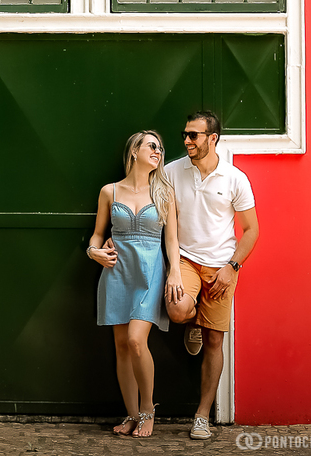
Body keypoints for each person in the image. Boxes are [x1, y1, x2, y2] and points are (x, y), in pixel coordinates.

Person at [164, 111, 260, 441]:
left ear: (213, 138)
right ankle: (193, 323)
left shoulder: (235, 179)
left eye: (194, 135)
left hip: (221, 266)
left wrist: (232, 268)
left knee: (215, 341)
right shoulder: (172, 172)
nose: (187, 141)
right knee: (177, 309)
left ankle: (202, 415)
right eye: (185, 135)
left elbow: (251, 231)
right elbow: (148, 207)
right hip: (186, 261)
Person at [87, 131, 183, 438]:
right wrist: (94, 252)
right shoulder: (109, 192)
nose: (158, 151)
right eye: (151, 146)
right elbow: (97, 235)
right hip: (117, 272)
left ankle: (147, 412)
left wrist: (175, 272)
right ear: (134, 152)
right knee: (121, 348)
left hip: (150, 272)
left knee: (136, 341)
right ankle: (131, 414)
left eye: (160, 148)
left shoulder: (165, 194)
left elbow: (172, 242)